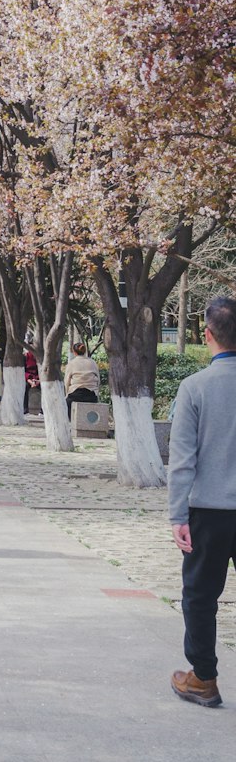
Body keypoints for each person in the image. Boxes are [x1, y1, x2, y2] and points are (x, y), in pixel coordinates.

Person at [168, 295, 236, 707]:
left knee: (199, 596)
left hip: (208, 512)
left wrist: (177, 514)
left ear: (207, 335)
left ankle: (203, 679)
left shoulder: (194, 388)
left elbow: (182, 460)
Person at [64, 341, 100, 419]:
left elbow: (67, 381)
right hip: (91, 395)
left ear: (74, 352)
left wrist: (67, 393)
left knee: (66, 408)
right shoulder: (92, 362)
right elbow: (98, 380)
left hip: (75, 394)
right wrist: (97, 393)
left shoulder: (71, 363)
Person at [24, 343, 41, 416]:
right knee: (24, 388)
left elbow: (41, 371)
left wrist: (37, 380)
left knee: (44, 388)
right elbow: (23, 371)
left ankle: (42, 410)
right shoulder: (25, 356)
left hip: (38, 379)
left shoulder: (39, 357)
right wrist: (30, 381)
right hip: (28, 378)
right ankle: (25, 409)